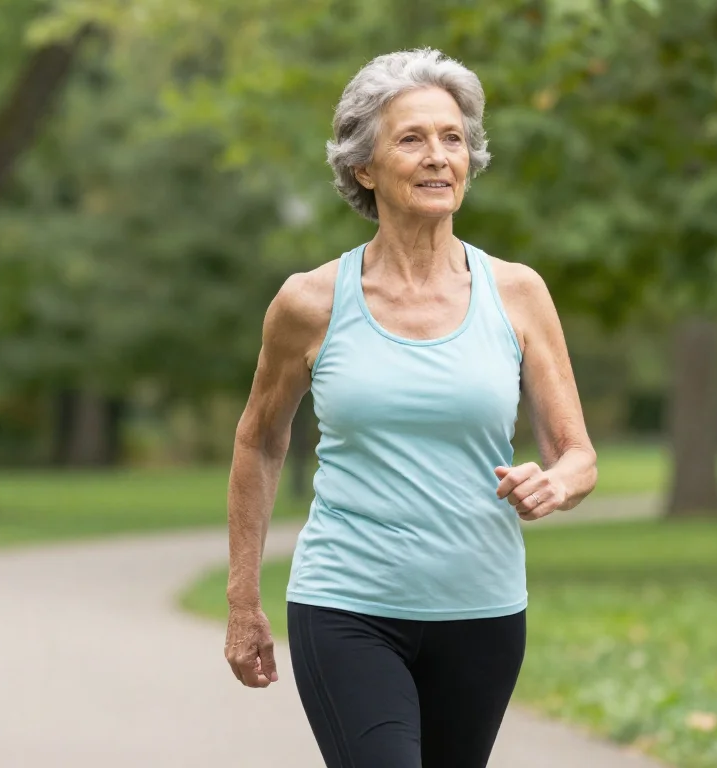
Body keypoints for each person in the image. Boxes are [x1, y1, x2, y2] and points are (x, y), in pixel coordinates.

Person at [222, 48, 598, 768]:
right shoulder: (309, 302)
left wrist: (555, 483)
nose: (438, 157)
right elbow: (259, 441)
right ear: (364, 167)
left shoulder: (518, 293)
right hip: (346, 604)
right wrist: (245, 600)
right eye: (412, 139)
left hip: (483, 610)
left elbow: (577, 453)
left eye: (452, 138)